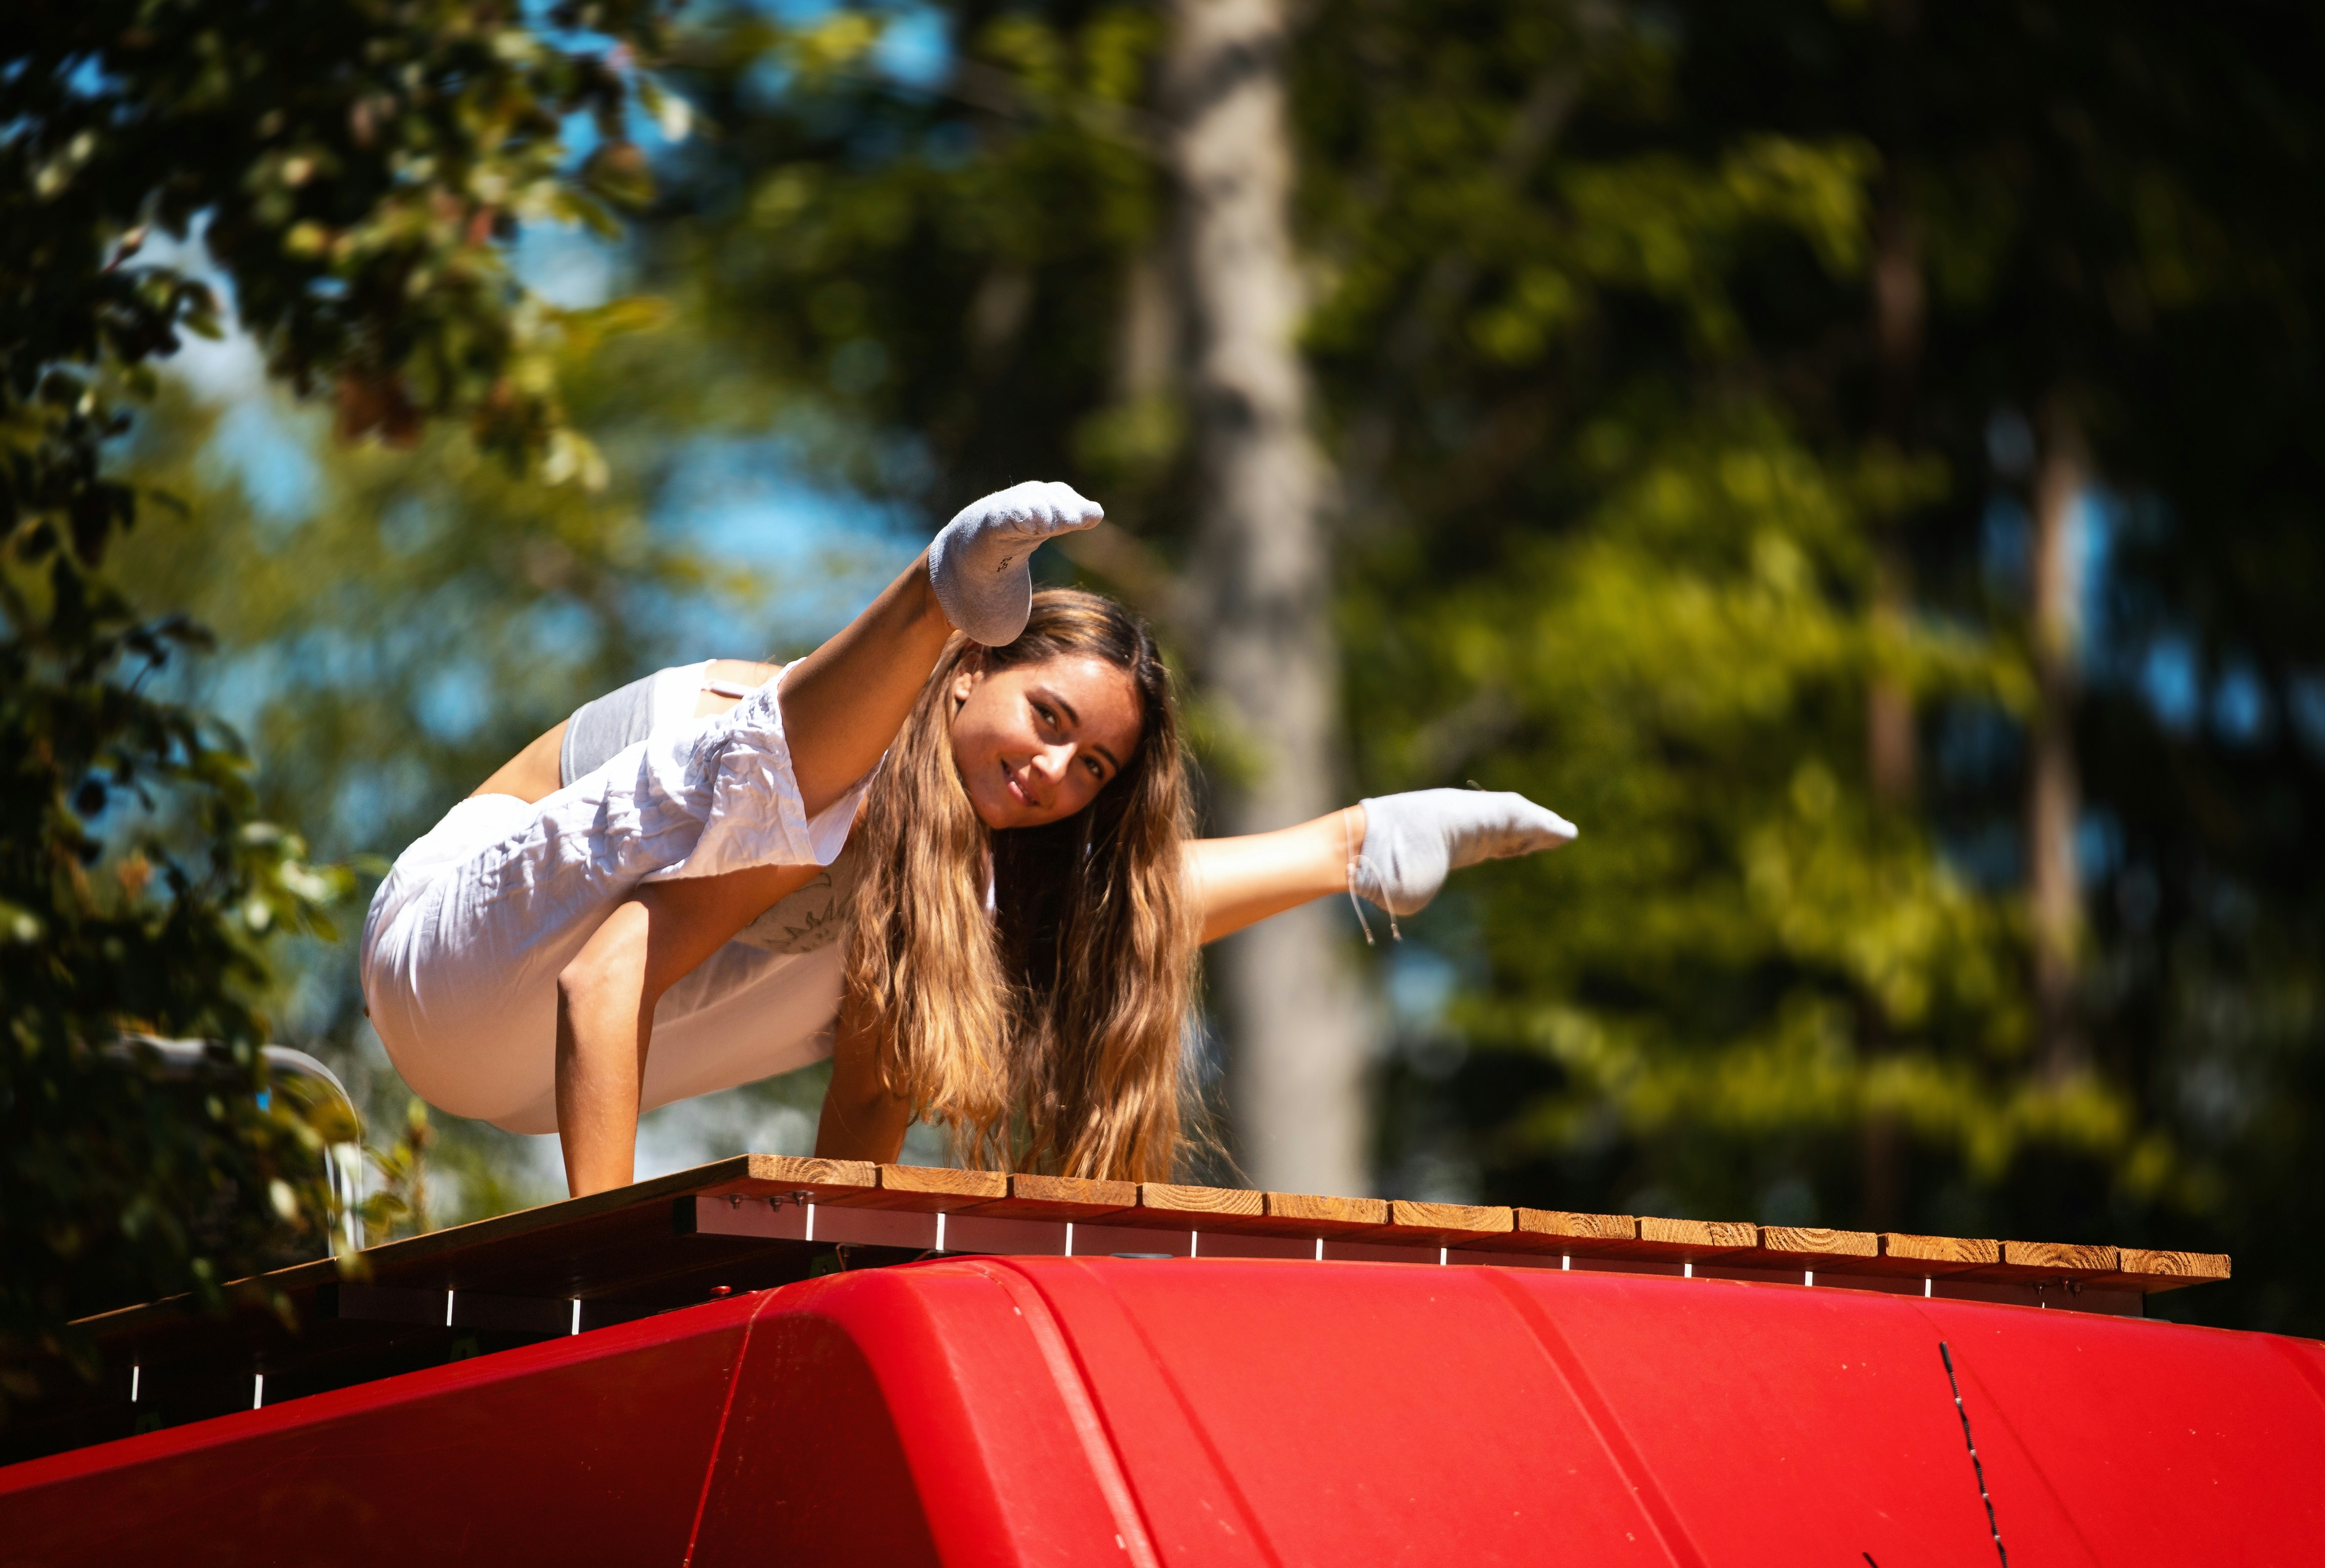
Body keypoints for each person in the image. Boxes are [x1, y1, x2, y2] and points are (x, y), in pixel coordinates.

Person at [360, 483, 1576, 1196]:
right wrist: (608, 1257)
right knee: (844, 789)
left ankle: (1351, 848)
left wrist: (827, 1284)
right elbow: (602, 969)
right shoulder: (824, 774)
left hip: (530, 1076)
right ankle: (931, 589)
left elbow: (869, 1105)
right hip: (452, 953)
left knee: (991, 916)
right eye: (1047, 719)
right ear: (970, 676)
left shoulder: (932, 878)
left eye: (1091, 765)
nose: (1055, 770)